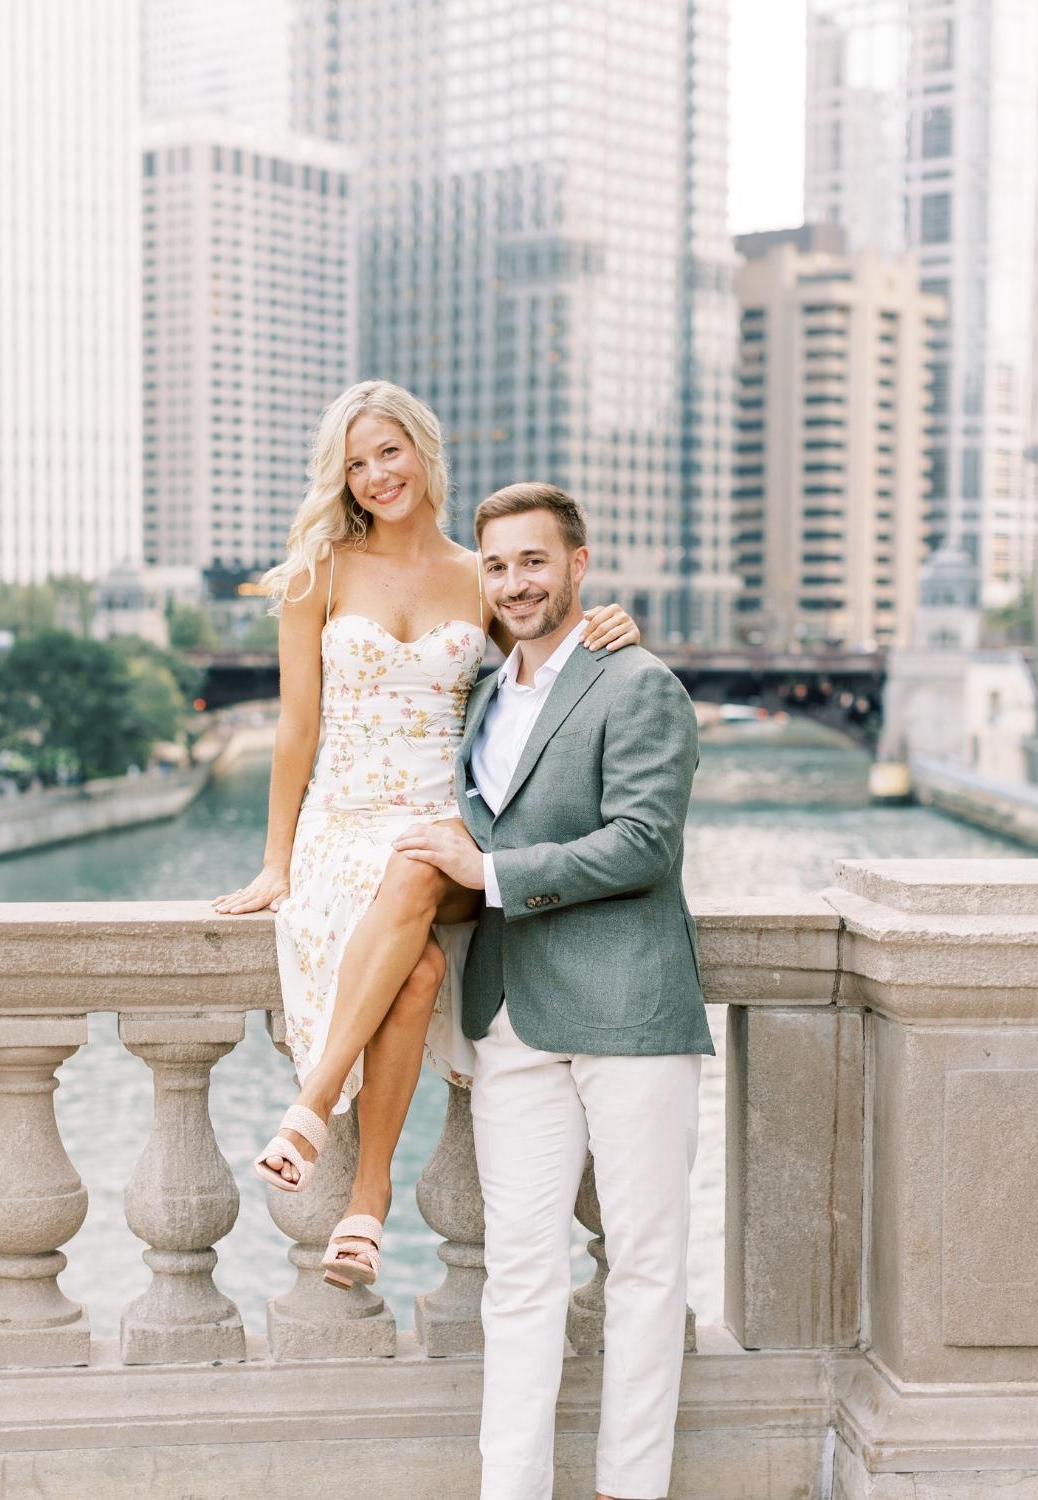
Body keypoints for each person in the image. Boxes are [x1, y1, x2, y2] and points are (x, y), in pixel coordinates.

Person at [212, 382, 639, 1290]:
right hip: (341, 819)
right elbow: (296, 729)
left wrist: (612, 623)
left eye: (388, 453)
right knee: (423, 968)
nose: (374, 477)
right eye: (356, 463)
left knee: (417, 869)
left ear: (424, 450)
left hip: (449, 815)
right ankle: (367, 1208)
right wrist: (277, 861)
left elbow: (548, 650)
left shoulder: (476, 574)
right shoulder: (317, 571)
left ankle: (311, 1103)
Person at [393, 482, 714, 1500]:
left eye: (535, 561)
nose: (515, 583)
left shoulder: (640, 682)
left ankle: (631, 1489)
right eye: (497, 565)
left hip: (628, 1011)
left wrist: (490, 874)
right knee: (519, 1275)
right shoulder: (484, 694)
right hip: (509, 1016)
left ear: (579, 565)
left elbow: (644, 844)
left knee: (647, 1270)